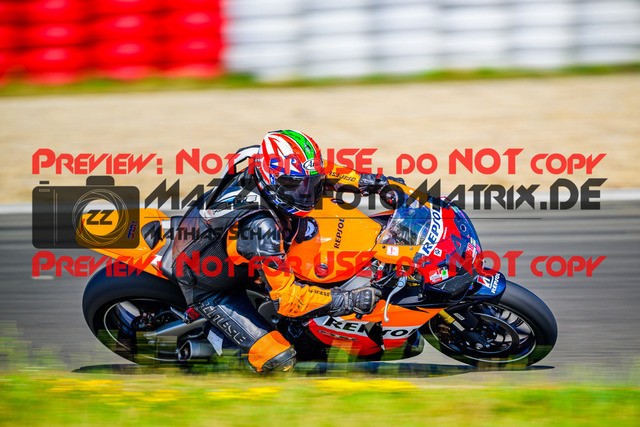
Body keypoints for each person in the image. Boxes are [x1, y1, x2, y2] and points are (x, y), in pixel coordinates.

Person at [170, 130, 401, 372]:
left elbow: (322, 170)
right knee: (279, 360)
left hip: (224, 246)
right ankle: (214, 336)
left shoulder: (263, 163)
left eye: (310, 183)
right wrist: (348, 300)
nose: (306, 192)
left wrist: (373, 182)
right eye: (295, 185)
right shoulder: (261, 229)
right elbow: (287, 300)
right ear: (274, 180)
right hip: (208, 286)